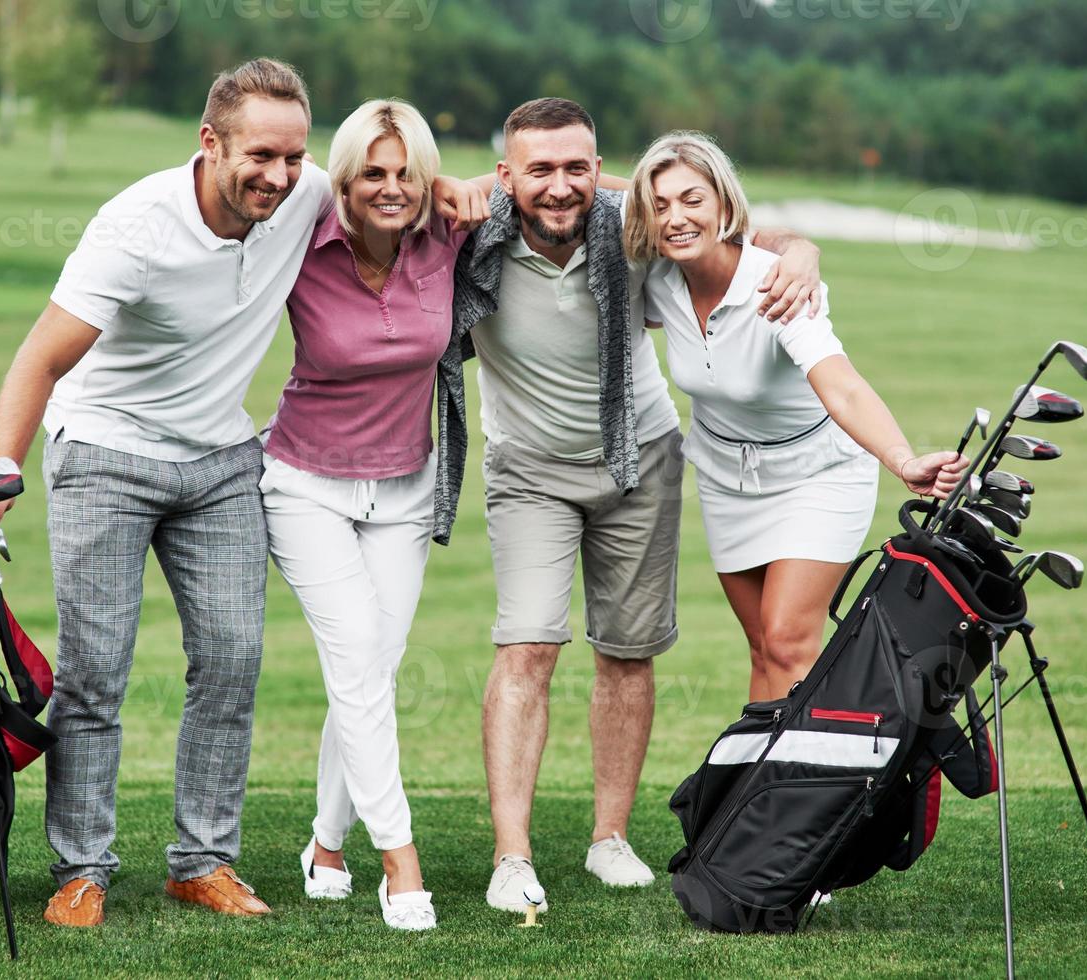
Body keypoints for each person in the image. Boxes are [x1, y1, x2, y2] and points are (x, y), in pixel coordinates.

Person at [0, 59, 485, 929]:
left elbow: (405, 185)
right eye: (259, 156)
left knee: (234, 660)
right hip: (106, 452)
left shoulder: (309, 192)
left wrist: (457, 185)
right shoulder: (135, 227)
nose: (278, 175)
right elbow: (41, 358)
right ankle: (81, 869)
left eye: (292, 155)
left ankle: (201, 860)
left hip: (221, 460)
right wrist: (2, 467)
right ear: (210, 144)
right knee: (96, 671)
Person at [436, 99, 826, 912]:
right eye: (538, 170)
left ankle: (609, 838)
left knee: (627, 652)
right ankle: (512, 857)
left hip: (639, 461)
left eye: (578, 167)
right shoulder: (473, 238)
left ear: (600, 168)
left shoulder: (634, 227)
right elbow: (398, 206)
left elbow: (746, 234)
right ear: (506, 176)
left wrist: (805, 251)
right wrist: (466, 188)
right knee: (527, 647)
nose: (561, 186)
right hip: (530, 472)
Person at [624, 130, 967, 704]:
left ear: (725, 205)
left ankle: (799, 785)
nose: (676, 218)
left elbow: (843, 387)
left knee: (789, 641)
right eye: (659, 206)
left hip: (818, 474)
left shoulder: (779, 282)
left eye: (692, 199)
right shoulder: (659, 282)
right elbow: (600, 192)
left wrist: (902, 459)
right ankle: (761, 787)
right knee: (763, 646)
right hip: (726, 481)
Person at [260, 98, 486, 931]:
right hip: (302, 485)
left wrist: (781, 235)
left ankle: (325, 842)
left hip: (404, 489)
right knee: (358, 658)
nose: (390, 190)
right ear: (342, 180)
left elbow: (574, 188)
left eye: (407, 173)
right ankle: (401, 861)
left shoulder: (448, 234)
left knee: (369, 675)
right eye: (371, 175)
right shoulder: (301, 236)